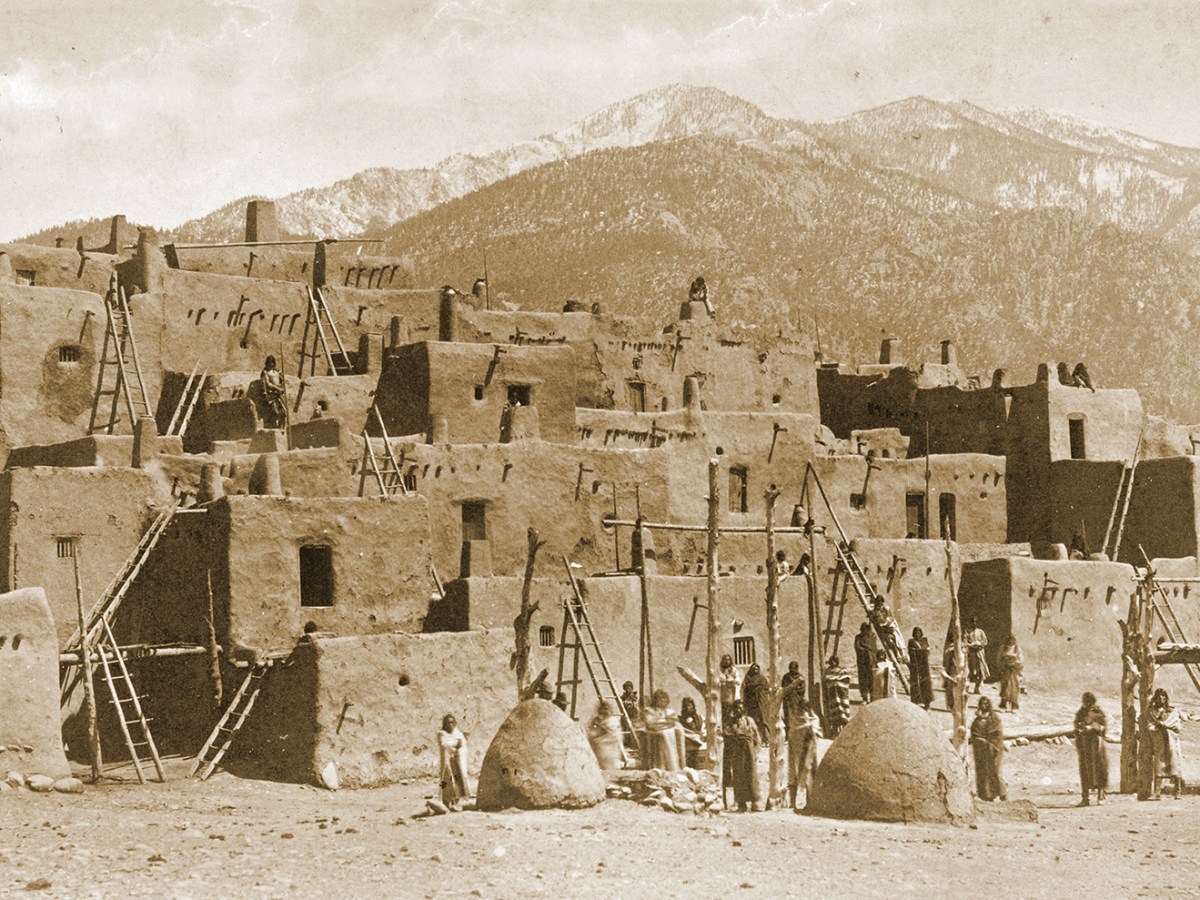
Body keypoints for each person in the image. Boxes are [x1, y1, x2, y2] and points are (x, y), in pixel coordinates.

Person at [786, 693, 823, 811]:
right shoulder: (795, 720)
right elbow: (793, 733)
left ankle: (809, 802)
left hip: (810, 753)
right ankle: (792, 803)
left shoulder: (814, 720)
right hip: (796, 751)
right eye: (800, 708)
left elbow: (817, 733)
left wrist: (809, 728)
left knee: (809, 775)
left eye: (804, 708)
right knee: (794, 774)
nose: (802, 711)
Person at [723, 700, 761, 812]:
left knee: (752, 775)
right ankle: (741, 804)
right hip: (737, 753)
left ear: (744, 709)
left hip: (749, 752)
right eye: (736, 708)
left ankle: (755, 803)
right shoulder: (730, 723)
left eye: (740, 708)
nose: (739, 710)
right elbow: (727, 736)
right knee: (739, 777)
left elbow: (757, 737)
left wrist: (756, 752)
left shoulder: (749, 721)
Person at [1074, 692, 1109, 806]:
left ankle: (1101, 796)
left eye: (1089, 701)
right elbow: (1076, 727)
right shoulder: (1080, 713)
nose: (1088, 703)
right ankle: (1085, 798)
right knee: (1084, 770)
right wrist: (1080, 729)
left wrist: (1093, 727)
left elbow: (1103, 728)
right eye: (1086, 701)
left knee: (1100, 768)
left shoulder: (1098, 712)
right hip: (1084, 745)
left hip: (1096, 745)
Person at [1148, 688, 1184, 799]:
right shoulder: (1152, 712)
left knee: (1175, 763)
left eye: (1163, 696)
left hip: (1172, 741)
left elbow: (1177, 726)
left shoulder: (1172, 712)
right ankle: (1157, 793)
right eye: (1159, 696)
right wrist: (1157, 727)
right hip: (1160, 741)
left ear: (1166, 698)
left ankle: (1178, 791)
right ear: (1155, 698)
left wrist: (1166, 725)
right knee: (1159, 765)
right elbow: (1150, 726)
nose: (1161, 698)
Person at [969, 696, 1006, 801]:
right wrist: (981, 741)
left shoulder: (995, 718)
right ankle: (987, 795)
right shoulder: (977, 720)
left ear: (989, 705)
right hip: (982, 750)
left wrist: (991, 743)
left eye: (986, 704)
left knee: (995, 770)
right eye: (981, 703)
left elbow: (998, 734)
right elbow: (974, 734)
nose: (983, 705)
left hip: (995, 748)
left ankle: (1002, 793)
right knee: (984, 771)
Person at [641, 689, 686, 772]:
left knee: (679, 731)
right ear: (656, 700)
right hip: (653, 732)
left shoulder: (668, 710)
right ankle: (662, 765)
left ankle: (677, 764)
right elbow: (650, 724)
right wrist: (664, 723)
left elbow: (673, 721)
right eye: (660, 699)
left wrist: (664, 723)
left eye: (664, 700)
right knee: (664, 734)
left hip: (666, 730)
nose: (663, 702)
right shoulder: (649, 710)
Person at [437, 714, 470, 811]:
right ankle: (446, 803)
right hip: (446, 761)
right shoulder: (441, 733)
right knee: (447, 779)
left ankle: (456, 802)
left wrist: (457, 744)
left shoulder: (457, 733)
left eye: (452, 722)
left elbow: (462, 744)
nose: (450, 724)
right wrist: (456, 743)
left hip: (457, 760)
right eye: (448, 722)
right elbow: (444, 744)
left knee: (458, 780)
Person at [587, 701, 624, 771]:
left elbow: (613, 734)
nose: (604, 713)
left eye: (605, 710)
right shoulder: (598, 720)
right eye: (602, 711)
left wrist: (597, 736)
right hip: (605, 748)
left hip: (609, 747)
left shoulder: (612, 721)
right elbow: (592, 732)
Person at [871, 596, 907, 665]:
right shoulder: (875, 612)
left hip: (891, 626)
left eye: (881, 604)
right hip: (884, 628)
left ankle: (903, 654)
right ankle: (897, 654)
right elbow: (877, 622)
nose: (880, 606)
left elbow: (891, 619)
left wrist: (888, 625)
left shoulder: (886, 609)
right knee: (890, 641)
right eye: (878, 604)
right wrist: (883, 626)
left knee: (897, 638)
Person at [823, 655, 852, 736]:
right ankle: (835, 731)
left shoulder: (843, 670)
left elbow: (846, 680)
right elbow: (828, 680)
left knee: (843, 713)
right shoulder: (828, 671)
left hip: (841, 696)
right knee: (835, 713)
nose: (833, 663)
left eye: (834, 661)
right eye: (832, 662)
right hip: (833, 697)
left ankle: (845, 732)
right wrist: (835, 682)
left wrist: (837, 683)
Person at [740, 663, 770, 742]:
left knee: (763, 719)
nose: (755, 670)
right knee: (752, 720)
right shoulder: (747, 678)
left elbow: (766, 687)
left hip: (760, 702)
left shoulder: (762, 678)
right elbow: (744, 688)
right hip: (751, 702)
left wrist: (758, 689)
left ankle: (765, 737)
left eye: (756, 669)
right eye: (753, 669)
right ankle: (754, 737)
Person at [907, 627, 934, 710]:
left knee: (926, 683)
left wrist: (921, 651)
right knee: (915, 683)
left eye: (918, 632)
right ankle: (915, 703)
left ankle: (927, 704)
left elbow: (927, 651)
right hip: (915, 666)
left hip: (924, 666)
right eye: (915, 632)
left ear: (921, 633)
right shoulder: (911, 641)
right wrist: (920, 650)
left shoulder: (924, 641)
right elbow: (911, 651)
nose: (917, 634)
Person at [259, 355, 287, 429]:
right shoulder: (265, 372)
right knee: (275, 412)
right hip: (271, 395)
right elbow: (268, 384)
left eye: (272, 362)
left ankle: (281, 428)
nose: (271, 364)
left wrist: (282, 386)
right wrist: (277, 388)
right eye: (269, 362)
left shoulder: (277, 371)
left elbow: (282, 381)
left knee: (284, 412)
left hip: (279, 394)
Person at [998, 635, 1023, 711]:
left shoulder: (1017, 648)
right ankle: (1003, 705)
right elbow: (999, 658)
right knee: (1005, 687)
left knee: (1014, 687)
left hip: (1014, 671)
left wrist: (1014, 663)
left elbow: (1021, 659)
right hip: (1005, 670)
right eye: (1008, 640)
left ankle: (1014, 705)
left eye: (1012, 640)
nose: (1010, 641)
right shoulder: (1003, 648)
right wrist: (1003, 664)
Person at [964, 618, 989, 693]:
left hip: (979, 654)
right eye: (973, 622)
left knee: (980, 671)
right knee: (969, 670)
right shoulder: (967, 631)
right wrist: (971, 645)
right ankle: (966, 687)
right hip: (971, 654)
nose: (974, 623)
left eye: (976, 622)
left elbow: (985, 641)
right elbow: (965, 642)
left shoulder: (980, 631)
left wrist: (980, 644)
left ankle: (977, 688)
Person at [679, 696, 704, 768]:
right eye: (686, 706)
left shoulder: (699, 718)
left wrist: (699, 734)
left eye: (690, 705)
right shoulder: (681, 719)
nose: (689, 707)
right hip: (688, 744)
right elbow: (683, 732)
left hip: (698, 742)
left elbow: (702, 729)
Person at [854, 622, 876, 703]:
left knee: (872, 679)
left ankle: (872, 697)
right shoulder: (858, 638)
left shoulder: (872, 637)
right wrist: (866, 651)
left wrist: (871, 654)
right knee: (863, 680)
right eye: (863, 630)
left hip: (871, 662)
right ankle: (864, 698)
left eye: (867, 630)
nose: (865, 632)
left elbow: (874, 649)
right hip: (862, 662)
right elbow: (857, 648)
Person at [781, 661, 805, 733]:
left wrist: (794, 690)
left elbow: (803, 689)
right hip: (787, 700)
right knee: (788, 717)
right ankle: (788, 734)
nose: (792, 670)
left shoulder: (800, 677)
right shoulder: (786, 677)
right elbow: (783, 687)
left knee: (796, 716)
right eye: (791, 668)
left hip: (797, 700)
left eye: (794, 668)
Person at [718, 654, 740, 721]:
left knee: (730, 709)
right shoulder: (719, 669)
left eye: (728, 659)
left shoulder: (734, 669)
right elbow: (718, 678)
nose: (727, 661)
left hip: (731, 691)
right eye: (725, 659)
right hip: (722, 692)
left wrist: (732, 680)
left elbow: (738, 679)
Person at [619, 681, 640, 748]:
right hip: (625, 715)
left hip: (632, 716)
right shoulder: (622, 697)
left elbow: (635, 707)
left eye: (629, 687)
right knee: (624, 729)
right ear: (624, 688)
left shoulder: (634, 697)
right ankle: (625, 744)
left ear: (632, 688)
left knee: (632, 730)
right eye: (627, 687)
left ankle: (632, 744)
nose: (628, 689)